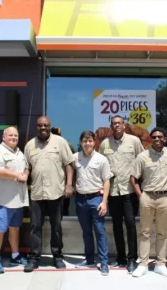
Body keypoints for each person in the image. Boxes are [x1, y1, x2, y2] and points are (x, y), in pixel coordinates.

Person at [24, 116, 75, 272]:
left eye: (46, 125)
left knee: (56, 226)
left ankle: (57, 256)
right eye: (40, 125)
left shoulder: (60, 142)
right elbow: (27, 167)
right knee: (35, 227)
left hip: (56, 192)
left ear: (50, 126)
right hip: (37, 193)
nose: (43, 128)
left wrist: (68, 184)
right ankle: (33, 258)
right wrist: (23, 176)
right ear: (36, 127)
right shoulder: (29, 145)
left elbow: (69, 164)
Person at [130, 127, 167, 278]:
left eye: (160, 137)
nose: (157, 139)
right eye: (154, 137)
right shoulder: (142, 156)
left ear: (164, 139)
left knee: (162, 233)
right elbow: (133, 178)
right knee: (145, 232)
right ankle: (143, 264)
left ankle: (160, 264)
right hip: (148, 197)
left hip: (165, 198)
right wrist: (141, 196)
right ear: (150, 139)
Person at [99, 115, 144, 273]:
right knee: (117, 226)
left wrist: (140, 188)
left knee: (131, 225)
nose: (117, 125)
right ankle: (120, 258)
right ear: (111, 126)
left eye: (119, 123)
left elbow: (142, 161)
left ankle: (132, 259)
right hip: (112, 192)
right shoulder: (105, 144)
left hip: (129, 191)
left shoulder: (134, 141)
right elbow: (100, 166)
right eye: (114, 123)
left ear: (124, 125)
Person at [0, 127, 29, 274]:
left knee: (15, 229)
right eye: (10, 135)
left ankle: (15, 255)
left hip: (17, 201)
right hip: (1, 201)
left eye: (15, 135)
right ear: (3, 136)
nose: (13, 137)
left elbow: (26, 168)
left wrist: (25, 173)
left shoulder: (19, 152)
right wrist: (18, 175)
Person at [74, 131, 111, 275]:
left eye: (90, 141)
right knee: (86, 232)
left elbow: (107, 180)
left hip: (96, 199)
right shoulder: (75, 157)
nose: (87, 143)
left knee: (100, 232)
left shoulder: (101, 159)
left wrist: (104, 202)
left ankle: (104, 262)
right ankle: (89, 259)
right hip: (81, 200)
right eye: (84, 141)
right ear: (81, 142)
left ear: (94, 142)